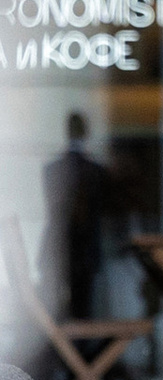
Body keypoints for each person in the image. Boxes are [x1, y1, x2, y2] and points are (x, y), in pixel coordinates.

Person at [41, 109, 112, 320]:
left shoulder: (52, 170)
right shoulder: (96, 172)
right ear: (86, 133)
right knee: (82, 309)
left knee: (61, 309)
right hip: (82, 253)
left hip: (60, 250)